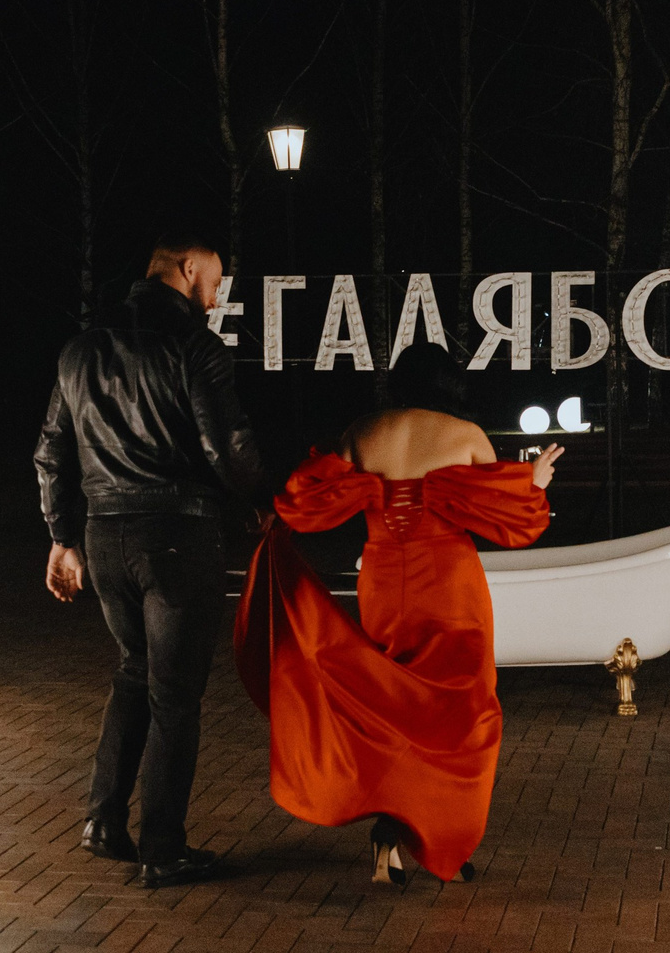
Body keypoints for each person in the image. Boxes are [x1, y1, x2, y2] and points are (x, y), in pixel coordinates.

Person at [233, 343, 561, 886]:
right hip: (450, 587)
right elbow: (514, 520)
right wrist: (537, 484)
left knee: (393, 710)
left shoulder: (363, 431)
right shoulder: (464, 435)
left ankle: (389, 840)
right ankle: (444, 848)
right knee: (462, 716)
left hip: (384, 579)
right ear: (448, 384)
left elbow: (310, 495)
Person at [35, 232, 269, 889]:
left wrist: (62, 537)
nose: (217, 295)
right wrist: (258, 499)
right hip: (176, 534)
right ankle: (162, 846)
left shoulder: (81, 348)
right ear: (188, 268)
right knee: (174, 694)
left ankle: (103, 821)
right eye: (216, 280)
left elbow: (51, 453)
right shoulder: (194, 345)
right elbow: (229, 446)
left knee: (134, 673)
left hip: (104, 534)